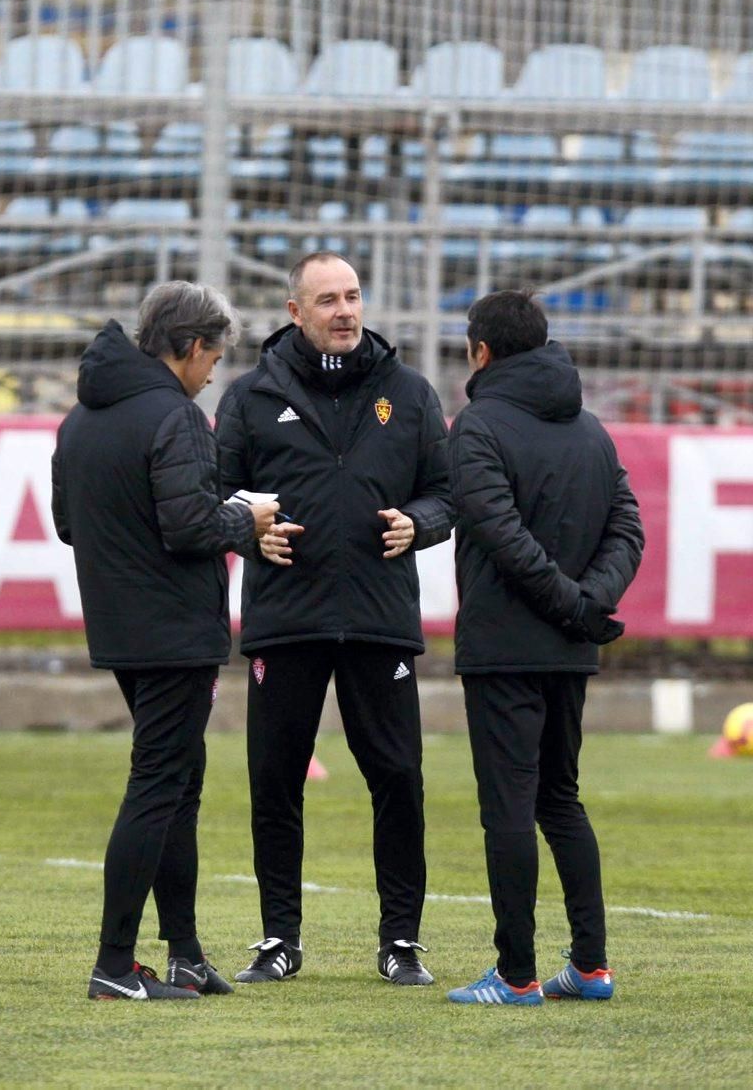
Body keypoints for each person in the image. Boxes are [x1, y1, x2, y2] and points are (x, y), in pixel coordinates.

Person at [215, 251, 455, 986]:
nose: (345, 310)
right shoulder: (249, 397)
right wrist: (247, 529)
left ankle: (402, 941)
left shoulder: (409, 394)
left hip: (379, 619)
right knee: (275, 780)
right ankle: (279, 939)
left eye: (352, 296)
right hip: (285, 618)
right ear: (296, 312)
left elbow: (448, 495)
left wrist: (419, 522)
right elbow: (213, 499)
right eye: (328, 300)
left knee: (399, 778)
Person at [52, 281, 280, 1002]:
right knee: (159, 786)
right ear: (186, 346)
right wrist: (250, 517)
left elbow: (67, 523)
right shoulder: (175, 417)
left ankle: (183, 953)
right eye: (212, 355)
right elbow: (191, 528)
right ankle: (115, 965)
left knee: (179, 785)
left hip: (121, 627)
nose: (214, 371)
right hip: (175, 630)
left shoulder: (81, 419)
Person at [446, 290, 644, 1007]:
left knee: (509, 808)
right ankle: (590, 967)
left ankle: (516, 973)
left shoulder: (476, 427)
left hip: (504, 647)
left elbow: (500, 538)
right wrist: (589, 605)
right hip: (570, 648)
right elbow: (628, 527)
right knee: (561, 799)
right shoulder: (590, 428)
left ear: (482, 352)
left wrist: (570, 603)